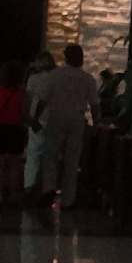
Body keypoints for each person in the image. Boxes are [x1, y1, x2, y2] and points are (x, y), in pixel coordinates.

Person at [38, 44, 100, 209]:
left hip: (56, 117)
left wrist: (36, 118)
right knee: (72, 160)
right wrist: (96, 124)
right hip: (77, 120)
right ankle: (68, 199)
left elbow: (43, 99)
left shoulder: (54, 75)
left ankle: (49, 188)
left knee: (50, 155)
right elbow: (94, 104)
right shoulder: (87, 78)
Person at [0, 60, 27, 206]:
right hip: (15, 130)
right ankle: (13, 195)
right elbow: (24, 114)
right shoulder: (21, 93)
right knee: (15, 165)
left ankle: (0, 196)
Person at [23, 51, 56, 196]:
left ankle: (29, 186)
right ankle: (48, 188)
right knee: (50, 156)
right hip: (54, 119)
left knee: (33, 154)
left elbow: (28, 98)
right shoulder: (57, 78)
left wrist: (30, 119)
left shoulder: (33, 79)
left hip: (37, 119)